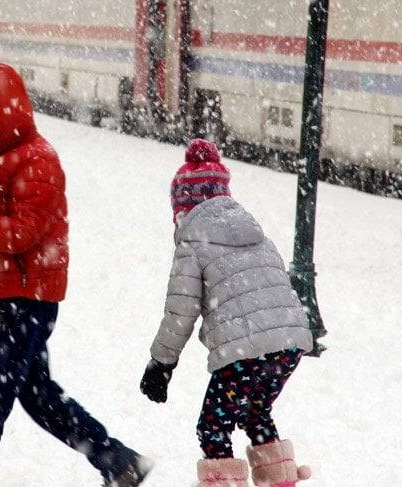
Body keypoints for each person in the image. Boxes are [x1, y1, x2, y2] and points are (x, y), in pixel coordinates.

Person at [0, 61, 151, 487]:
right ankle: (117, 461)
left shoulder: (39, 161)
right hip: (11, 294)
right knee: (37, 396)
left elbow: (21, 234)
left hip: (32, 296)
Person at [139, 139, 313, 487]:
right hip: (290, 343)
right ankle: (280, 481)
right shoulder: (257, 234)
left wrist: (160, 364)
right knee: (255, 412)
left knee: (213, 427)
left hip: (243, 354)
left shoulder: (193, 242)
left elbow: (180, 313)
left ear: (182, 208)